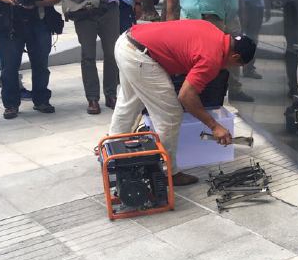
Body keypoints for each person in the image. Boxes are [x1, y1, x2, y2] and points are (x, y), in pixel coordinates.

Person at [108, 20, 256, 186]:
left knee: (128, 104)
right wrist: (215, 126)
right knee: (170, 116)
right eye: (236, 65)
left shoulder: (213, 30)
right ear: (235, 56)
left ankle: (111, 156)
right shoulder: (212, 58)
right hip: (140, 56)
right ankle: (168, 172)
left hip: (126, 42)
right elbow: (186, 96)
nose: (231, 68)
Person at [230, 0, 267, 79]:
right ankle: (236, 72)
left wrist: (267, 4)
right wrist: (241, 7)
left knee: (254, 37)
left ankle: (249, 67)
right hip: (244, 2)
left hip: (258, 3)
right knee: (240, 37)